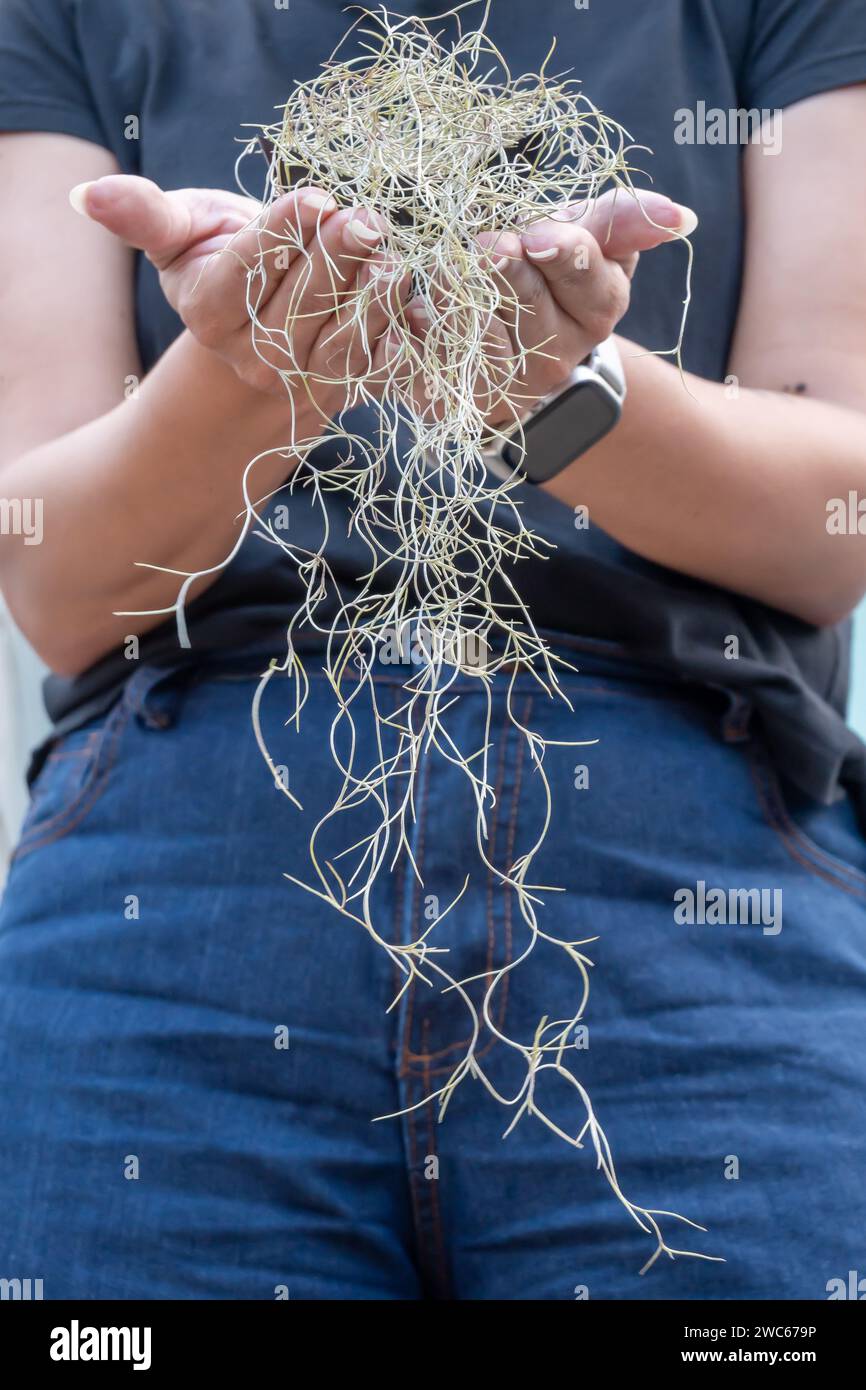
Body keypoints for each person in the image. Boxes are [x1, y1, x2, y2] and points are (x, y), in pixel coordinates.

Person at [0, 0, 865, 1301]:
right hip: (192, 852)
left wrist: (553, 389)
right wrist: (259, 370)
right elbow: (54, 579)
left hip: (684, 854)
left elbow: (828, 524)